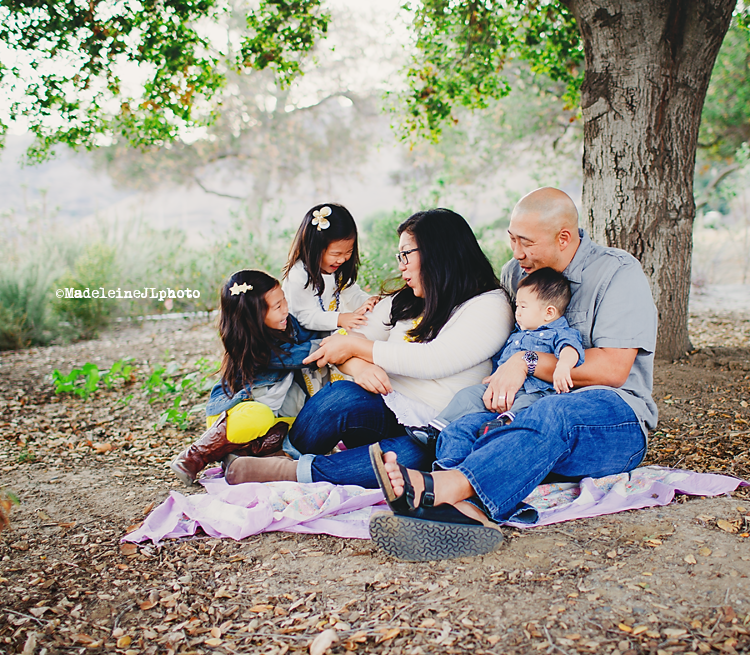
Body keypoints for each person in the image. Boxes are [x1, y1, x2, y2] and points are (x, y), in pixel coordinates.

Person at [371, 188, 658, 562]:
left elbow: (612, 369)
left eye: (526, 242)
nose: (517, 252)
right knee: (466, 425)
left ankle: (442, 486)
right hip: (527, 416)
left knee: (554, 412)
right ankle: (464, 513)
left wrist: (527, 361)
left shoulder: (616, 273)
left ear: (564, 238)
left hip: (611, 421)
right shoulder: (515, 273)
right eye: (511, 239)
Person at [222, 208, 514, 487]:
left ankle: (291, 471)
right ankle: (282, 454)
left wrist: (354, 347)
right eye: (399, 255)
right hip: (384, 407)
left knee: (404, 460)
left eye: (406, 254)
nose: (401, 264)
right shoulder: (409, 299)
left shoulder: (489, 304)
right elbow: (344, 343)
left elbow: (435, 359)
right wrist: (358, 364)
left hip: (436, 428)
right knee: (341, 396)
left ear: (438, 253)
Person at [168, 269, 325, 485]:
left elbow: (315, 332)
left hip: (275, 416)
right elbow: (301, 355)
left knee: (300, 425)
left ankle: (239, 454)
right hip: (236, 414)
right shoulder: (255, 349)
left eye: (284, 301)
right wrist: (336, 343)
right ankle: (197, 454)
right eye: (278, 306)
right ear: (254, 316)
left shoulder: (289, 325)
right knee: (259, 416)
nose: (286, 310)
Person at [414, 266, 584, 447]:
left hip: (535, 390)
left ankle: (503, 426)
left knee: (530, 407)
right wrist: (494, 376)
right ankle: (436, 429)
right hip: (501, 388)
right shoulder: (517, 334)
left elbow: (570, 348)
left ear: (549, 312)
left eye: (523, 307)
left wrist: (563, 366)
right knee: (467, 396)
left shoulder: (558, 332)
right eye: (517, 306)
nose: (517, 312)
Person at [282, 202, 378, 332]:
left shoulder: (336, 272)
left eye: (348, 252)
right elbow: (306, 317)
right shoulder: (298, 276)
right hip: (301, 340)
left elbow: (352, 295)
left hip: (325, 336)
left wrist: (369, 302)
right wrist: (340, 319)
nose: (342, 259)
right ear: (314, 249)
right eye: (336, 254)